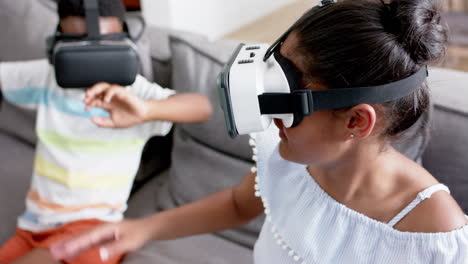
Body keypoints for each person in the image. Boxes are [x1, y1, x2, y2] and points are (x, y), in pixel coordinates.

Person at [51, 0, 468, 263]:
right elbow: (239, 204)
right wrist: (138, 229)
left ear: (356, 122)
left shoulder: (431, 232)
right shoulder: (293, 156)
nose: (268, 122)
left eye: (281, 103)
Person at [0, 0, 212, 263]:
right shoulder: (47, 77)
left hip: (94, 229)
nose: (91, 61)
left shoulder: (133, 93)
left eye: (104, 48)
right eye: (77, 49)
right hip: (32, 228)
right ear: (56, 44)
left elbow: (202, 107)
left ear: (126, 40)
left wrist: (147, 110)